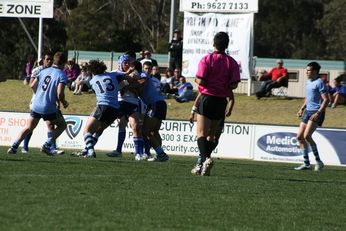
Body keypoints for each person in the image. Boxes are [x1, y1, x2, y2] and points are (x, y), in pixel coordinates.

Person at [192, 31, 240, 176]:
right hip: (221, 101)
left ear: (214, 43)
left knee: (201, 133)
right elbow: (233, 85)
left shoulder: (207, 59)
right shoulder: (231, 62)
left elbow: (201, 80)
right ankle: (203, 162)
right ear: (226, 45)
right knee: (212, 136)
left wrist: (196, 80)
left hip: (207, 98)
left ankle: (204, 160)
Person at [8, 52, 69, 155]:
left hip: (36, 104)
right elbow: (60, 93)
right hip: (48, 106)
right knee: (62, 125)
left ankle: (14, 146)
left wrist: (41, 93)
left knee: (28, 127)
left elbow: (32, 85)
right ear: (64, 62)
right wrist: (64, 102)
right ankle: (47, 145)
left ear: (54, 60)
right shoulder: (62, 75)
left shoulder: (43, 71)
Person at [82, 59, 125, 158]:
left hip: (103, 106)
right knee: (99, 130)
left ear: (92, 71)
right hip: (115, 109)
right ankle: (86, 149)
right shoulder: (113, 75)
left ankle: (90, 151)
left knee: (86, 131)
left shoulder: (92, 81)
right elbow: (124, 76)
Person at [190, 90, 234, 175]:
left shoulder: (210, 80)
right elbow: (231, 97)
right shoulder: (224, 81)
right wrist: (230, 109)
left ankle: (202, 162)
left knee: (206, 135)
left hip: (208, 104)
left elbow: (200, 94)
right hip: (220, 106)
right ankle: (203, 162)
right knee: (212, 136)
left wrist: (192, 111)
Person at [294, 62, 329, 171]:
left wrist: (318, 113)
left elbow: (326, 100)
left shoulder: (320, 83)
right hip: (308, 111)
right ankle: (306, 164)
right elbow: (308, 98)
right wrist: (302, 108)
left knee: (307, 136)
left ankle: (319, 162)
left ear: (314, 71)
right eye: (307, 70)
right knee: (299, 137)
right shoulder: (309, 82)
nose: (306, 72)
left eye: (308, 70)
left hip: (316, 112)